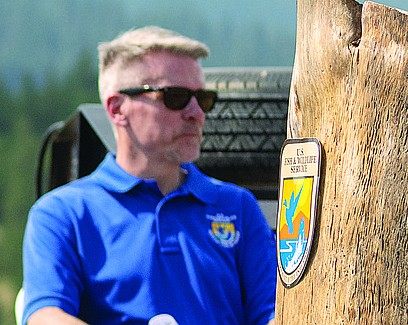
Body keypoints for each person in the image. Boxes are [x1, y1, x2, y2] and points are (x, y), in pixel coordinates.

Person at [21, 27, 277, 325]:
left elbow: (272, 314)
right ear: (117, 109)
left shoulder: (238, 207)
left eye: (203, 98)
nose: (197, 112)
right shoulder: (62, 213)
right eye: (176, 97)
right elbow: (46, 316)